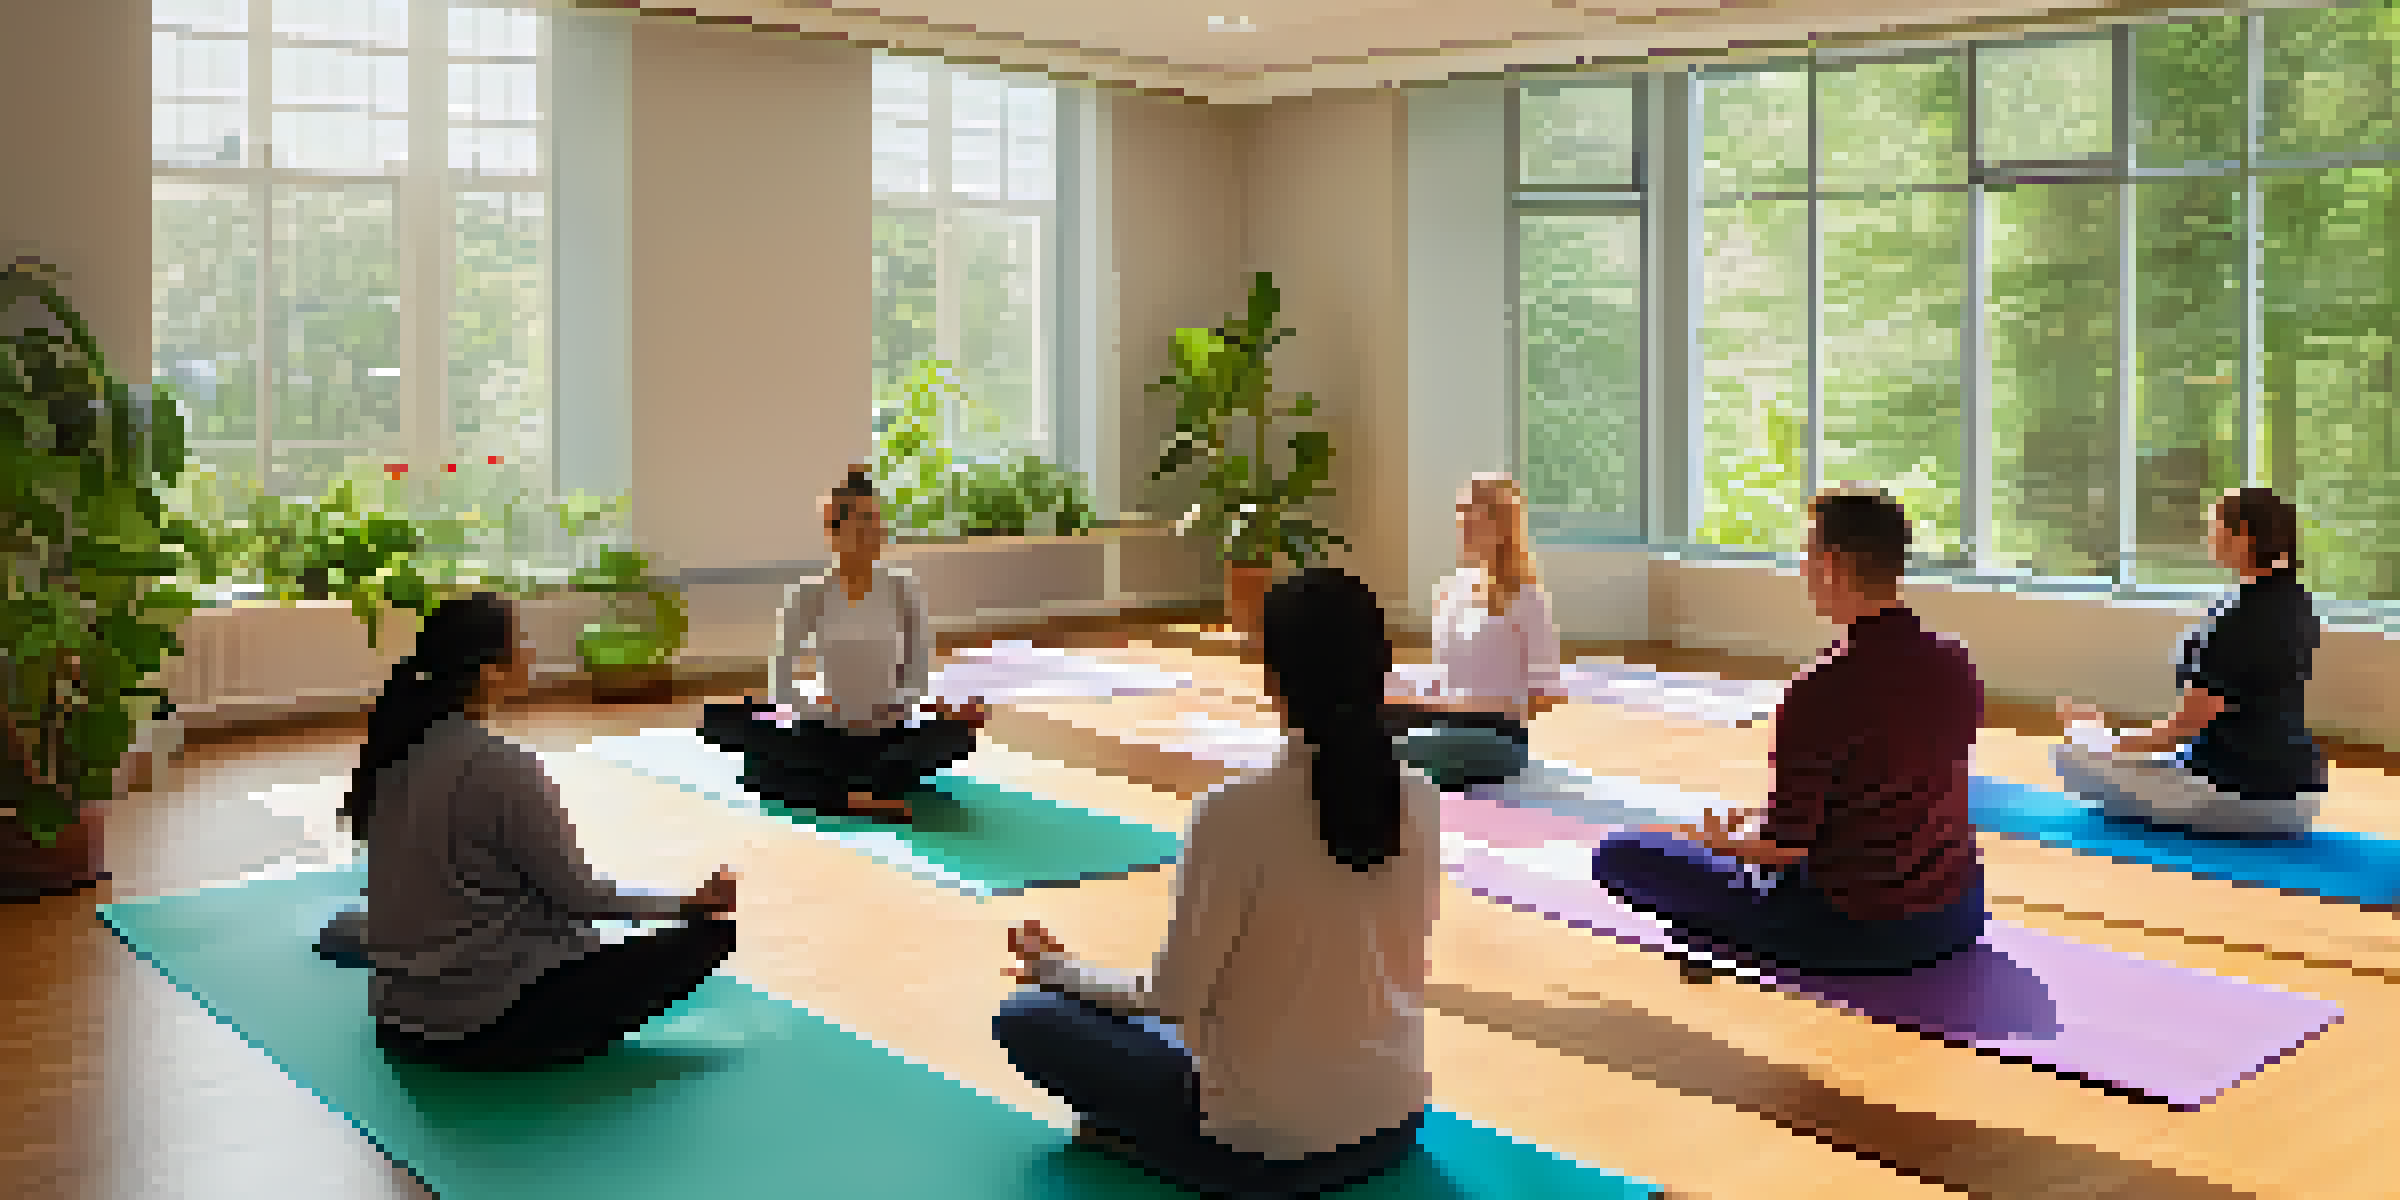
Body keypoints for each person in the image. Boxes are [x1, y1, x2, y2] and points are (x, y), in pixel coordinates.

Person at [992, 568, 1441, 1197]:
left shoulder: (1233, 811)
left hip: (1264, 1145)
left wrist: (1056, 969)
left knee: (1030, 1016)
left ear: (1273, 679)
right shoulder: (1421, 798)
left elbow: (1173, 999)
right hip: (1395, 1119)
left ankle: (1152, 1145)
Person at [330, 592, 741, 1071]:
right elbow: (579, 896)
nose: (530, 653)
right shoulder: (503, 766)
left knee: (547, 920)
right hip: (483, 1027)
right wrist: (688, 903)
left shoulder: (394, 753)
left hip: (396, 1018)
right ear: (490, 672)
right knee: (709, 938)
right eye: (520, 643)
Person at [1589, 487, 1987, 979]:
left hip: (1860, 930)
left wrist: (1722, 841)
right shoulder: (1956, 661)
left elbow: (1782, 850)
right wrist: (1763, 820)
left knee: (1622, 854)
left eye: (1806, 552)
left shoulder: (1822, 688)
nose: (1801, 568)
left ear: (1832, 565)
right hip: (1958, 912)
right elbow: (1893, 784)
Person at [696, 465, 986, 823]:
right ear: (834, 533)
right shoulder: (808, 594)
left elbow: (917, 668)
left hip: (888, 731)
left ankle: (837, 792)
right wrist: (817, 709)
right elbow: (782, 682)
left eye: (877, 523)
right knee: (735, 738)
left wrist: (903, 703)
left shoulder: (902, 588)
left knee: (956, 737)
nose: (873, 534)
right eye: (862, 524)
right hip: (826, 732)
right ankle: (862, 795)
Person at [2052, 487, 2326, 838]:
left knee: (2068, 753)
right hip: (2302, 794)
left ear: (2242, 536)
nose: (2207, 537)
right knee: (2107, 744)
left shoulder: (2236, 617)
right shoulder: (2298, 601)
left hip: (2246, 797)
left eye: (2213, 528)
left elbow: (2186, 725)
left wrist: (2104, 740)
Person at [1380, 473, 1566, 793]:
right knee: (1358, 724)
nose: (1463, 524)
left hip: (1495, 737)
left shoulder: (1525, 596)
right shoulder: (1450, 590)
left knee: (1389, 749)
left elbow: (1546, 694)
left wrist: (1471, 704)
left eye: (1473, 516)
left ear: (1500, 526)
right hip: (1442, 720)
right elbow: (1446, 674)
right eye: (1461, 513)